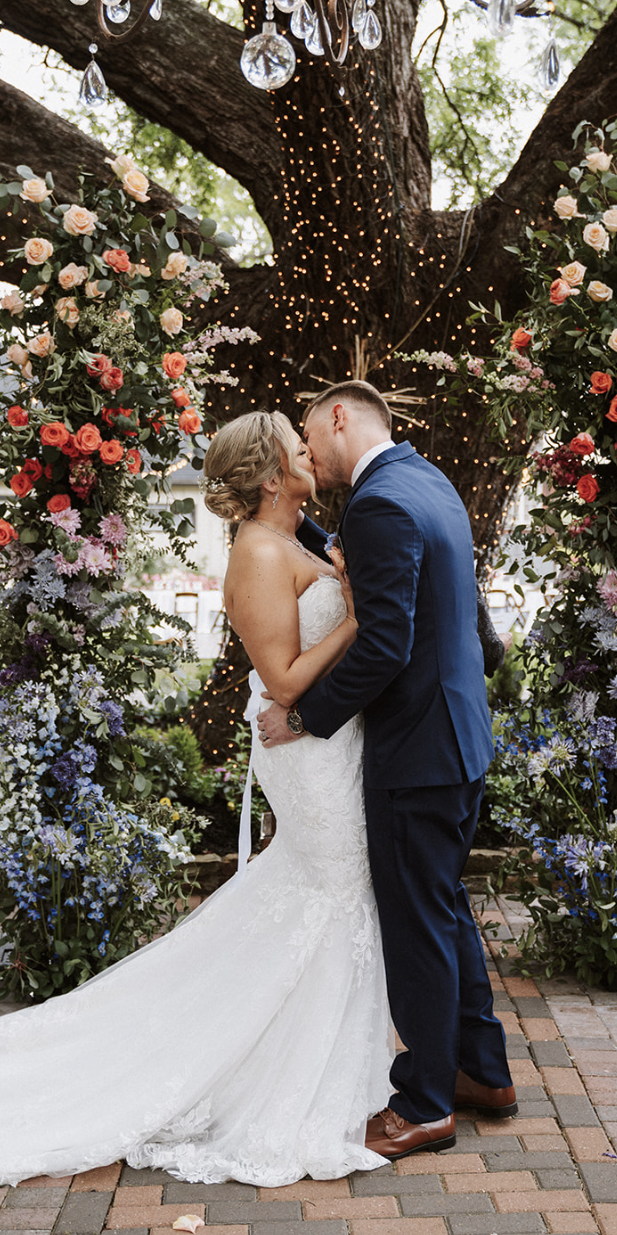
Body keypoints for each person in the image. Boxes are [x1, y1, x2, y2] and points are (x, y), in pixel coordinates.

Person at [0, 410, 396, 1190]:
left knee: (325, 896)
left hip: (332, 749)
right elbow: (281, 680)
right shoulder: (257, 552)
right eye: (294, 444)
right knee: (334, 893)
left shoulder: (297, 537)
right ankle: (286, 1078)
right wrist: (359, 620)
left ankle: (306, 1060)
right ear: (272, 475)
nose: (310, 450)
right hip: (305, 752)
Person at [258, 381, 517, 1161]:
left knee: (415, 922)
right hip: (459, 737)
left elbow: (383, 645)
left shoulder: (379, 505)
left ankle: (425, 1103)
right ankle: (483, 1072)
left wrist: (304, 717)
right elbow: (466, 614)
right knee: (442, 907)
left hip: (416, 750)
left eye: (310, 436)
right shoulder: (426, 481)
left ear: (340, 416)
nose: (310, 455)